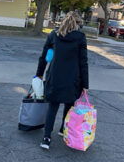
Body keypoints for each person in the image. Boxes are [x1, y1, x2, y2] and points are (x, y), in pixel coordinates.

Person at [36, 11, 89, 150]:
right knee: (69, 105)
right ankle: (62, 130)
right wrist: (85, 84)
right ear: (77, 24)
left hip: (54, 77)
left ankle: (46, 138)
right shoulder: (80, 37)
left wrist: (39, 75)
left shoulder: (54, 35)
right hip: (73, 79)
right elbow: (83, 62)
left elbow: (44, 57)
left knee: (52, 107)